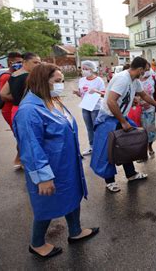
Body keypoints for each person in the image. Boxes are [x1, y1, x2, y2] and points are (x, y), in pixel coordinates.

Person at [13, 63, 98, 259]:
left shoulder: (52, 100)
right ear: (43, 82)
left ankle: (75, 231)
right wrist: (43, 177)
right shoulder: (29, 111)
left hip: (67, 164)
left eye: (61, 81)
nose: (61, 85)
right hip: (49, 168)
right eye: (57, 81)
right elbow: (31, 147)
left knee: (72, 195)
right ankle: (37, 243)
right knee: (46, 205)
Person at [90, 57, 156, 193]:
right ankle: (110, 182)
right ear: (139, 69)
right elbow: (111, 102)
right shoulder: (123, 79)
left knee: (127, 146)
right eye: (145, 71)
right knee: (107, 150)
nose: (145, 74)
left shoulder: (134, 80)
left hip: (121, 117)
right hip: (108, 118)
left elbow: (144, 96)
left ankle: (131, 174)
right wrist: (123, 122)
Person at [73, 60, 105, 156]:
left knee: (96, 128)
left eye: (86, 69)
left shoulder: (98, 80)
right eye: (82, 69)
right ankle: (91, 147)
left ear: (92, 69)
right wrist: (76, 93)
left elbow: (104, 94)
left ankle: (99, 147)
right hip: (85, 107)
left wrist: (96, 91)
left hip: (95, 108)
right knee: (89, 128)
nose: (84, 71)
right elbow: (82, 94)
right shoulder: (82, 80)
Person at [0, 52, 23, 168]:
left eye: (21, 61)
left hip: (16, 107)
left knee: (21, 135)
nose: (20, 64)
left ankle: (20, 159)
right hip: (9, 109)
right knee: (20, 135)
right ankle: (19, 160)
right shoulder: (7, 76)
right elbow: (3, 95)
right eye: (18, 62)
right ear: (10, 62)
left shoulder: (16, 74)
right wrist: (22, 99)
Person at [138, 65, 156, 157]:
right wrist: (138, 101)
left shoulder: (154, 77)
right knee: (139, 132)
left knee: (150, 131)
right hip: (136, 110)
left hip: (150, 109)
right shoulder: (135, 78)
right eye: (145, 69)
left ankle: (149, 147)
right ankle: (141, 152)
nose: (146, 71)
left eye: (148, 69)